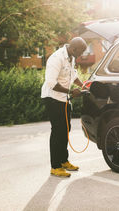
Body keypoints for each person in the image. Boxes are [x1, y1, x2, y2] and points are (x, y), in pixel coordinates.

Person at [41, 37, 87, 177]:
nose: (81, 55)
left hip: (64, 99)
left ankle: (63, 161)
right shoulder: (56, 58)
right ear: (74, 49)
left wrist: (84, 86)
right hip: (53, 99)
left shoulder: (71, 57)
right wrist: (71, 92)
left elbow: (73, 75)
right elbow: (50, 83)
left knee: (66, 130)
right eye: (81, 52)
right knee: (57, 132)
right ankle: (55, 167)